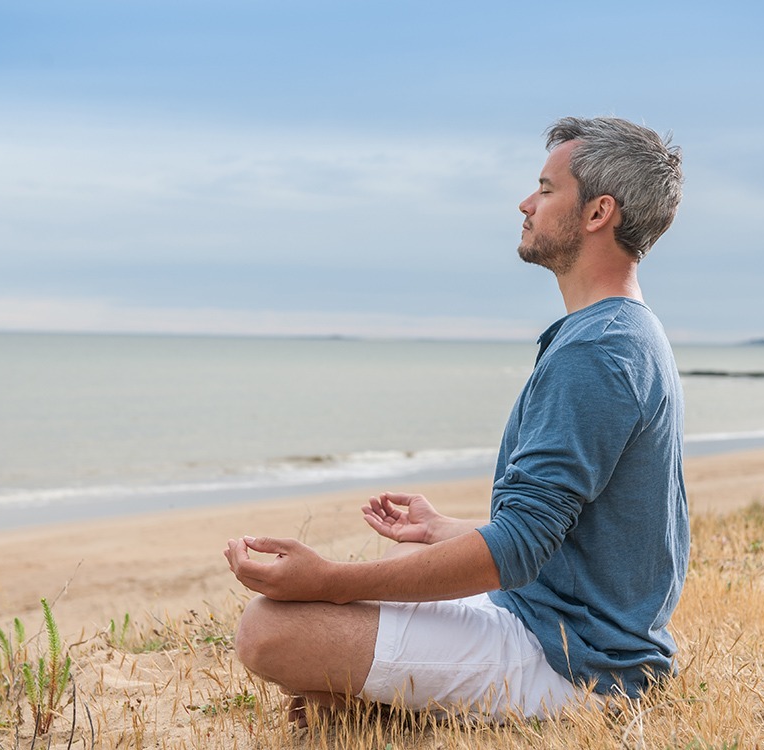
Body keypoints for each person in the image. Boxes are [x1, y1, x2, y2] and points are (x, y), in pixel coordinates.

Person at [224, 116, 689, 720]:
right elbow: (575, 527)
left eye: (547, 190)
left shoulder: (599, 351)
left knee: (268, 631)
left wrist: (328, 581)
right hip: (551, 619)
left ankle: (387, 706)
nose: (526, 203)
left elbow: (520, 546)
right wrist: (444, 528)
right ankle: (376, 705)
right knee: (398, 566)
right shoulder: (621, 331)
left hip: (578, 666)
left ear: (599, 213)